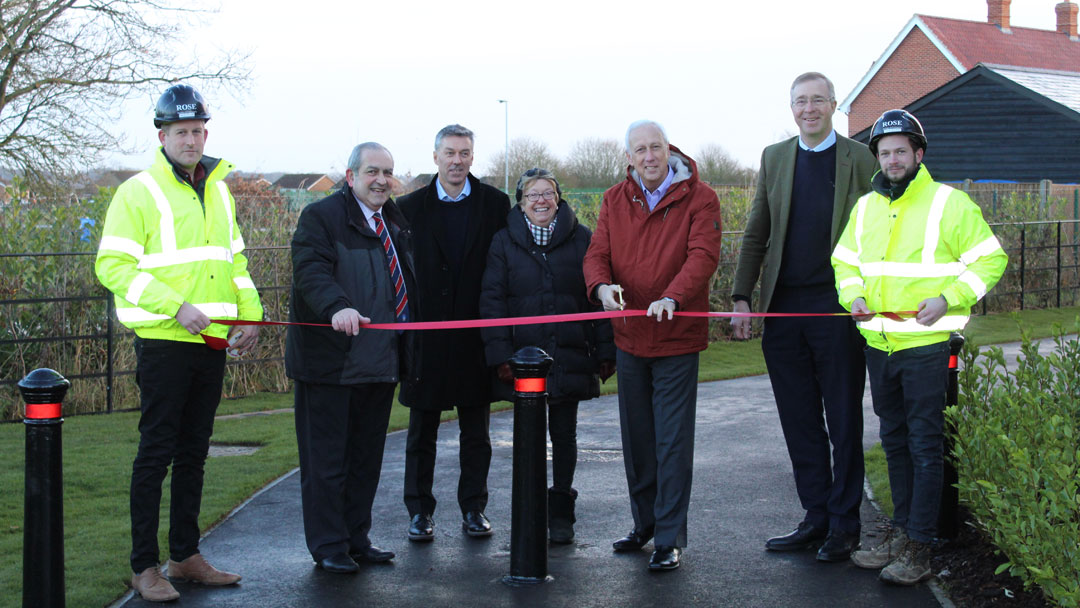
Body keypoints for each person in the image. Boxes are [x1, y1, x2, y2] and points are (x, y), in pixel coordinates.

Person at [95, 83, 262, 602]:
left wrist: (252, 315)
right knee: (156, 453)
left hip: (211, 342)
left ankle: (185, 556)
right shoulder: (138, 191)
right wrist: (175, 305)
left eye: (197, 131)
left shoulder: (220, 189)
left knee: (194, 452)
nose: (190, 140)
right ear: (162, 135)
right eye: (180, 131)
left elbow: (234, 259)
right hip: (164, 340)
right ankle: (145, 566)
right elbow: (112, 265)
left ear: (205, 133)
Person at [831, 109, 1007, 585]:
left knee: (926, 447)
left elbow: (991, 259)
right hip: (880, 346)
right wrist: (855, 297)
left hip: (927, 347)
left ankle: (920, 545)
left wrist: (950, 297)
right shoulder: (865, 207)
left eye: (900, 151)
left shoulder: (950, 204)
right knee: (895, 442)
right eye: (884, 152)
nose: (892, 159)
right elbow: (844, 263)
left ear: (918, 154)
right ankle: (901, 530)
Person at [731, 72, 877, 561]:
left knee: (842, 419)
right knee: (799, 421)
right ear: (791, 108)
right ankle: (815, 516)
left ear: (833, 105)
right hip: (784, 309)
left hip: (837, 310)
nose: (808, 108)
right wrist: (741, 297)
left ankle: (845, 523)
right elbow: (756, 231)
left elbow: (878, 231)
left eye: (818, 100)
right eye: (800, 101)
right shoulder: (775, 157)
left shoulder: (860, 158)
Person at [582, 120, 722, 571]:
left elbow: (703, 255)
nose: (648, 156)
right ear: (629, 157)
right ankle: (643, 525)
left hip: (676, 339)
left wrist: (672, 297)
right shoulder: (612, 199)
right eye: (639, 149)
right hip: (630, 339)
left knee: (672, 442)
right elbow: (596, 254)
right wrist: (602, 288)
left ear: (669, 149)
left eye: (655, 147)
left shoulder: (700, 198)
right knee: (638, 441)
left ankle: (669, 537)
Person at [286, 142, 416, 573]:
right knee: (326, 463)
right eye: (372, 172)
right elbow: (310, 271)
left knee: (365, 461)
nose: (381, 180)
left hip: (379, 363)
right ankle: (328, 546)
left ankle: (357, 539)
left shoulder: (394, 222)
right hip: (331, 364)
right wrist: (336, 306)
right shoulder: (321, 218)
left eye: (388, 173)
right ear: (350, 176)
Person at [479, 168, 616, 544]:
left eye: (548, 194)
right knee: (528, 436)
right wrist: (501, 356)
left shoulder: (582, 238)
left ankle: (561, 512)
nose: (541, 201)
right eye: (532, 195)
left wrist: (606, 350)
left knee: (565, 434)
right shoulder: (504, 242)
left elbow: (596, 297)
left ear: (559, 198)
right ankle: (530, 508)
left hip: (570, 355)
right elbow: (492, 303)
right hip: (524, 359)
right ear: (521, 202)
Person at [396, 124, 511, 541]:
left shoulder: (496, 205)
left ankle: (473, 508)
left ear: (472, 157)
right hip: (425, 341)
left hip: (473, 339)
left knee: (476, 433)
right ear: (435, 157)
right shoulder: (406, 208)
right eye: (450, 153)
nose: (457, 161)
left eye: (464, 153)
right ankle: (419, 511)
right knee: (420, 432)